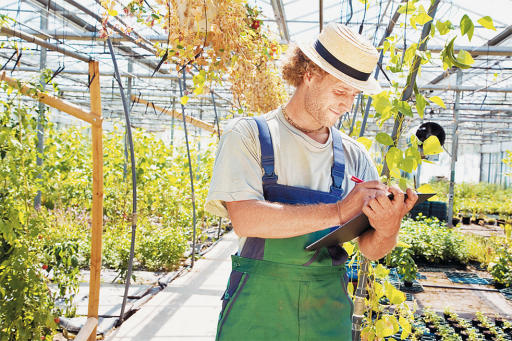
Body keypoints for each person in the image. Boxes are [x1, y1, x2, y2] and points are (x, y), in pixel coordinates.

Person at [205, 23, 418, 341]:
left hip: (326, 314)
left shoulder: (353, 155)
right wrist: (339, 210)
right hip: (257, 314)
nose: (347, 105)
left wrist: (388, 226)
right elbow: (246, 219)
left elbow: (371, 249)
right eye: (340, 91)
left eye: (354, 95)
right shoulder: (250, 135)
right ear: (310, 74)